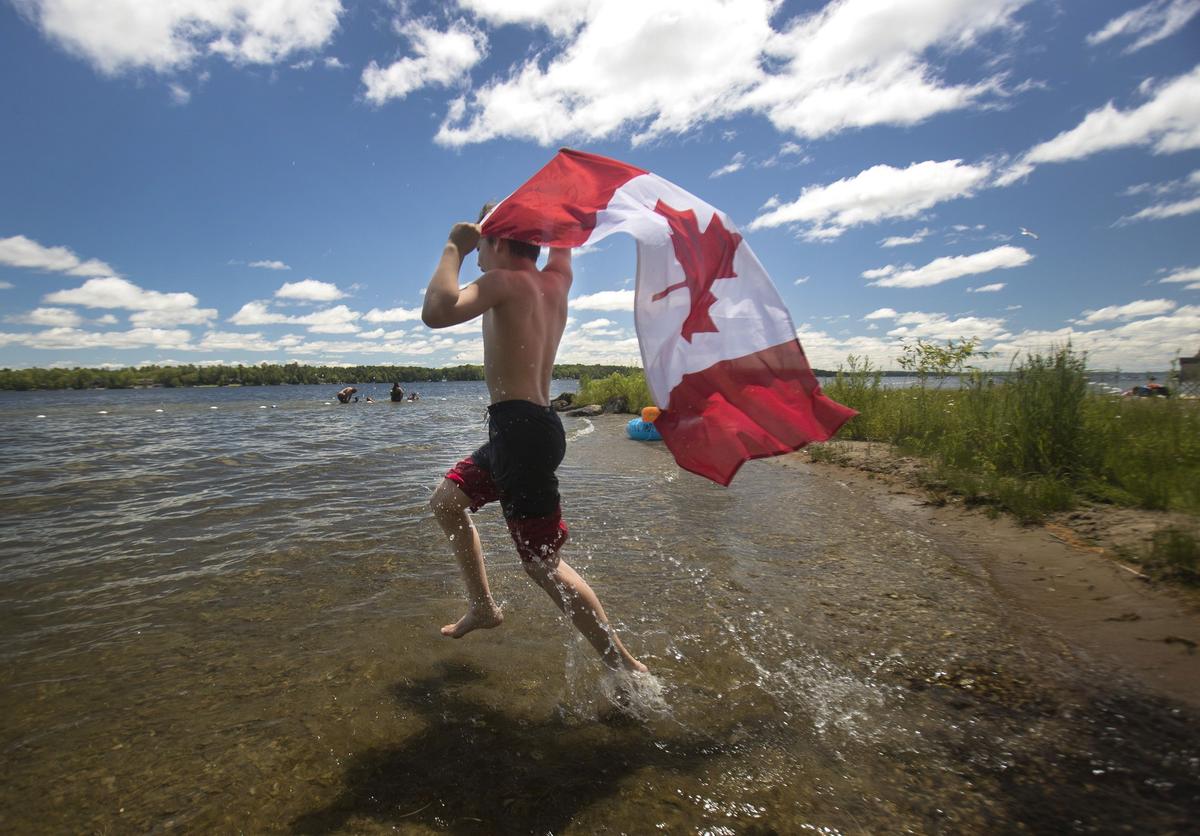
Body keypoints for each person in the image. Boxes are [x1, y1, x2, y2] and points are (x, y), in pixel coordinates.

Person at [422, 207, 646, 674]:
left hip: (520, 433)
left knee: (543, 564)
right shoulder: (556, 281)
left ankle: (626, 668)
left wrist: (452, 247)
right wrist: (563, 214)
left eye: (482, 244)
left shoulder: (505, 282)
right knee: (446, 501)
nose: (479, 254)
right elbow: (564, 247)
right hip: (530, 429)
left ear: (499, 243)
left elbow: (437, 312)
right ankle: (483, 607)